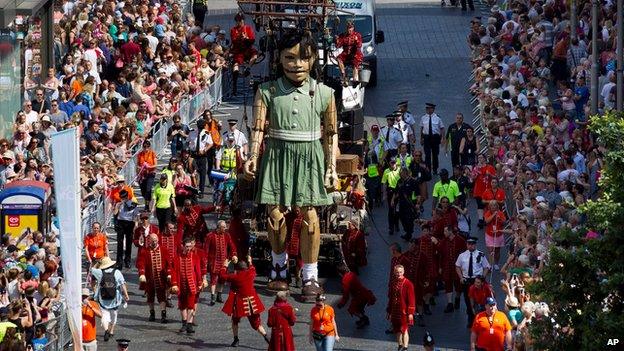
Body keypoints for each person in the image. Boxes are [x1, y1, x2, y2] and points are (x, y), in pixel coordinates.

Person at [243, 30, 339, 297]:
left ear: (313, 60)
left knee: (310, 218)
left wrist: (331, 167)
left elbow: (331, 134)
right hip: (277, 152)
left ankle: (310, 275)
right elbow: (258, 130)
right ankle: (278, 269)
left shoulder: (324, 93)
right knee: (275, 217)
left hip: (310, 156)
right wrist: (252, 157)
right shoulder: (266, 91)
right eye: (290, 58)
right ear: (280, 60)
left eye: (304, 58)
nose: (297, 65)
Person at [220, 255, 269, 346]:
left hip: (239, 303)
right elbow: (252, 268)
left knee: (235, 320)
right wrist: (250, 261)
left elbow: (222, 276)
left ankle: (236, 340)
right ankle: (266, 337)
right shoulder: (251, 273)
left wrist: (225, 266)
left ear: (237, 269)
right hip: (252, 303)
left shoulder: (235, 277)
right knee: (256, 324)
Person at [170, 236, 208, 334]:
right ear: (182, 246)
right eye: (186, 247)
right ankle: (184, 324)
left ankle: (189, 325)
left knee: (191, 305)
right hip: (181, 284)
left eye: (190, 247)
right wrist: (174, 283)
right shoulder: (176, 257)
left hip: (192, 285)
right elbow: (173, 271)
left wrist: (200, 283)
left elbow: (198, 271)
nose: (188, 249)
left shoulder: (195, 257)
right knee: (182, 305)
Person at [136, 233, 173, 324]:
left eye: (155, 240)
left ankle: (163, 315)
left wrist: (169, 273)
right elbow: (141, 263)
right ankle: (152, 313)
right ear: (149, 241)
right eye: (152, 240)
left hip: (161, 278)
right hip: (150, 279)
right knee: (150, 297)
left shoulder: (164, 250)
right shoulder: (144, 251)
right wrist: (142, 273)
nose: (154, 242)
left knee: (162, 297)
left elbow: (169, 263)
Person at [90, 256, 129, 342]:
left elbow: (91, 269)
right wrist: (126, 295)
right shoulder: (117, 272)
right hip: (115, 299)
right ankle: (111, 331)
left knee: (104, 315)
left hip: (103, 299)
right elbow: (122, 284)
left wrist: (97, 263)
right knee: (114, 314)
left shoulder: (100, 272)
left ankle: (106, 330)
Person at [456, 237, 491, 328]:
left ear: (475, 245)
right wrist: (461, 277)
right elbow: (457, 266)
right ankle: (470, 319)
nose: (470, 246)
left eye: (472, 244)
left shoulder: (480, 255)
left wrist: (482, 277)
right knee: (468, 300)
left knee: (480, 299)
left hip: (477, 280)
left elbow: (486, 267)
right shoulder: (462, 255)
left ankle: (481, 318)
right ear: (467, 245)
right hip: (467, 280)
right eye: (469, 244)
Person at [205, 220, 238, 305]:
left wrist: (234, 254)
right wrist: (205, 262)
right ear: (219, 227)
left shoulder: (227, 235)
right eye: (224, 227)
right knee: (213, 280)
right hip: (214, 262)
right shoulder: (210, 236)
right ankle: (213, 296)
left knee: (222, 279)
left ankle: (219, 295)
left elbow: (232, 246)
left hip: (223, 261)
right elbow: (206, 250)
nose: (225, 228)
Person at [386, 265, 415, 351]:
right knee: (397, 329)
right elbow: (391, 298)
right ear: (395, 273)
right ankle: (400, 345)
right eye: (397, 272)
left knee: (404, 329)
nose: (399, 274)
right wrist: (389, 311)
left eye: (400, 272)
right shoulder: (393, 283)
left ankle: (405, 347)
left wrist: (410, 313)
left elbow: (411, 299)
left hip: (404, 311)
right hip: (395, 310)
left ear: (403, 272)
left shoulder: (408, 284)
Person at [439, 226, 467, 313]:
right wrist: (440, 266)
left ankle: (457, 298)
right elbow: (440, 255)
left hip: (458, 267)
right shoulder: (443, 242)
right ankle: (450, 303)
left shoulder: (460, 240)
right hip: (447, 266)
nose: (444, 233)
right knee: (448, 284)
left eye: (445, 231)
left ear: (450, 231)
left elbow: (465, 254)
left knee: (458, 285)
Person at [230, 13, 258, 94]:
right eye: (238, 21)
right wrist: (239, 37)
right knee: (236, 63)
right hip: (238, 50)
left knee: (255, 55)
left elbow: (252, 40)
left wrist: (247, 38)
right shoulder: (233, 30)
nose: (239, 22)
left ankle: (248, 68)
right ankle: (234, 83)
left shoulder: (248, 28)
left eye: (241, 21)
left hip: (247, 49)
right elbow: (233, 41)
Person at [113, 189, 139, 269]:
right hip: (121, 222)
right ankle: (119, 262)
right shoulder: (119, 204)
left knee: (128, 243)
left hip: (129, 223)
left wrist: (136, 225)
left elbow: (136, 215)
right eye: (122, 197)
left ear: (127, 196)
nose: (123, 199)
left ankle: (127, 261)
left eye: (124, 197)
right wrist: (117, 206)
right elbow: (115, 214)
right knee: (120, 243)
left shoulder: (133, 204)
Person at [393, 167, 419, 241]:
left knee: (409, 219)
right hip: (401, 204)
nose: (400, 174)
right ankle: (407, 231)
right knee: (402, 218)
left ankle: (409, 233)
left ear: (405, 173)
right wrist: (392, 200)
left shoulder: (413, 181)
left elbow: (418, 194)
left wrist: (417, 204)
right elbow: (396, 192)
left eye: (401, 173)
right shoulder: (399, 181)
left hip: (410, 204)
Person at [335, 20, 363, 84]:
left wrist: (356, 41)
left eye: (350, 28)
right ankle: (343, 74)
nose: (349, 30)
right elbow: (338, 46)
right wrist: (337, 40)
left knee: (355, 62)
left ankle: (355, 79)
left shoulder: (357, 35)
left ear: (353, 28)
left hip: (355, 53)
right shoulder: (343, 35)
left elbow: (359, 45)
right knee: (339, 59)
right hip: (346, 53)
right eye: (348, 28)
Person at [420, 103, 445, 174]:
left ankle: (435, 169)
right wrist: (421, 138)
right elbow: (422, 128)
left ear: (433, 109)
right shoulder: (423, 117)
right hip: (426, 137)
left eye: (429, 108)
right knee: (427, 154)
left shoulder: (438, 118)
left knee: (435, 154)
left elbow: (442, 128)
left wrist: (443, 138)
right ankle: (428, 169)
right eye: (427, 108)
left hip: (435, 138)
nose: (427, 110)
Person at [191, 119, 214, 197]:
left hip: (202, 156)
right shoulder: (192, 132)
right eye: (199, 127)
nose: (200, 128)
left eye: (201, 127)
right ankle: (194, 190)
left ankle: (201, 192)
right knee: (193, 173)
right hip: (193, 155)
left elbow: (211, 143)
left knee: (202, 175)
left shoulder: (207, 133)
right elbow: (188, 141)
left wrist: (204, 150)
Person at [484, 200, 507, 270]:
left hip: (498, 235)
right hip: (489, 235)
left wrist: (499, 219)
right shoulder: (487, 213)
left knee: (497, 251)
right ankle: (491, 264)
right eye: (491, 206)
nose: (493, 207)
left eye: (494, 205)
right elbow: (486, 221)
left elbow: (504, 222)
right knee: (491, 251)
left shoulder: (500, 213)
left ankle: (496, 263)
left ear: (497, 206)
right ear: (489, 207)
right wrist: (493, 215)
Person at [382, 157, 401, 235]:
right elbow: (384, 183)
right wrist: (384, 194)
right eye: (391, 163)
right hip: (390, 191)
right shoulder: (386, 171)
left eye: (394, 163)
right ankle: (391, 228)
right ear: (389, 163)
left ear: (396, 163)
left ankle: (396, 224)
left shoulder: (400, 170)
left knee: (397, 211)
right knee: (391, 211)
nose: (393, 164)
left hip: (399, 192)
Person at [137, 140, 157, 210]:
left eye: (147, 147)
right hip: (142, 175)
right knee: (143, 191)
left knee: (148, 189)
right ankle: (148, 200)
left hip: (150, 174)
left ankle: (147, 205)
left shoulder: (152, 153)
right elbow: (138, 165)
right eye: (144, 147)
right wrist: (138, 173)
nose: (146, 148)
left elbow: (155, 165)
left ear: (149, 147)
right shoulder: (140, 154)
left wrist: (149, 167)